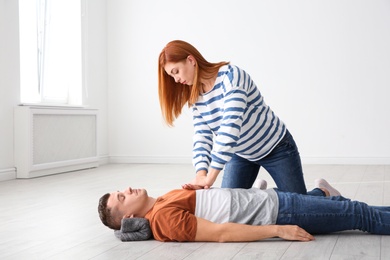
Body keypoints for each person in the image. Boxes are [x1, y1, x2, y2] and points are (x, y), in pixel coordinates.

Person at [158, 40, 309, 193]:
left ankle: (323, 192)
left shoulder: (231, 76)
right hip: (240, 154)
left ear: (191, 60)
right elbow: (202, 136)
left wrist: (210, 178)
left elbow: (230, 128)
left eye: (175, 72)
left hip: (276, 148)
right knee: (229, 205)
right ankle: (255, 196)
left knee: (299, 207)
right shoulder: (196, 96)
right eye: (172, 76)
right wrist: (201, 174)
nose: (175, 79)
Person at [98, 179, 390, 242]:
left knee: (353, 209)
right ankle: (323, 194)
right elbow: (221, 233)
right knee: (359, 214)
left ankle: (323, 194)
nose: (127, 190)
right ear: (130, 218)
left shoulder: (163, 200)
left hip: (272, 200)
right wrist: (278, 230)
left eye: (121, 190)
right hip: (281, 213)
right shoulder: (163, 220)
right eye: (121, 198)